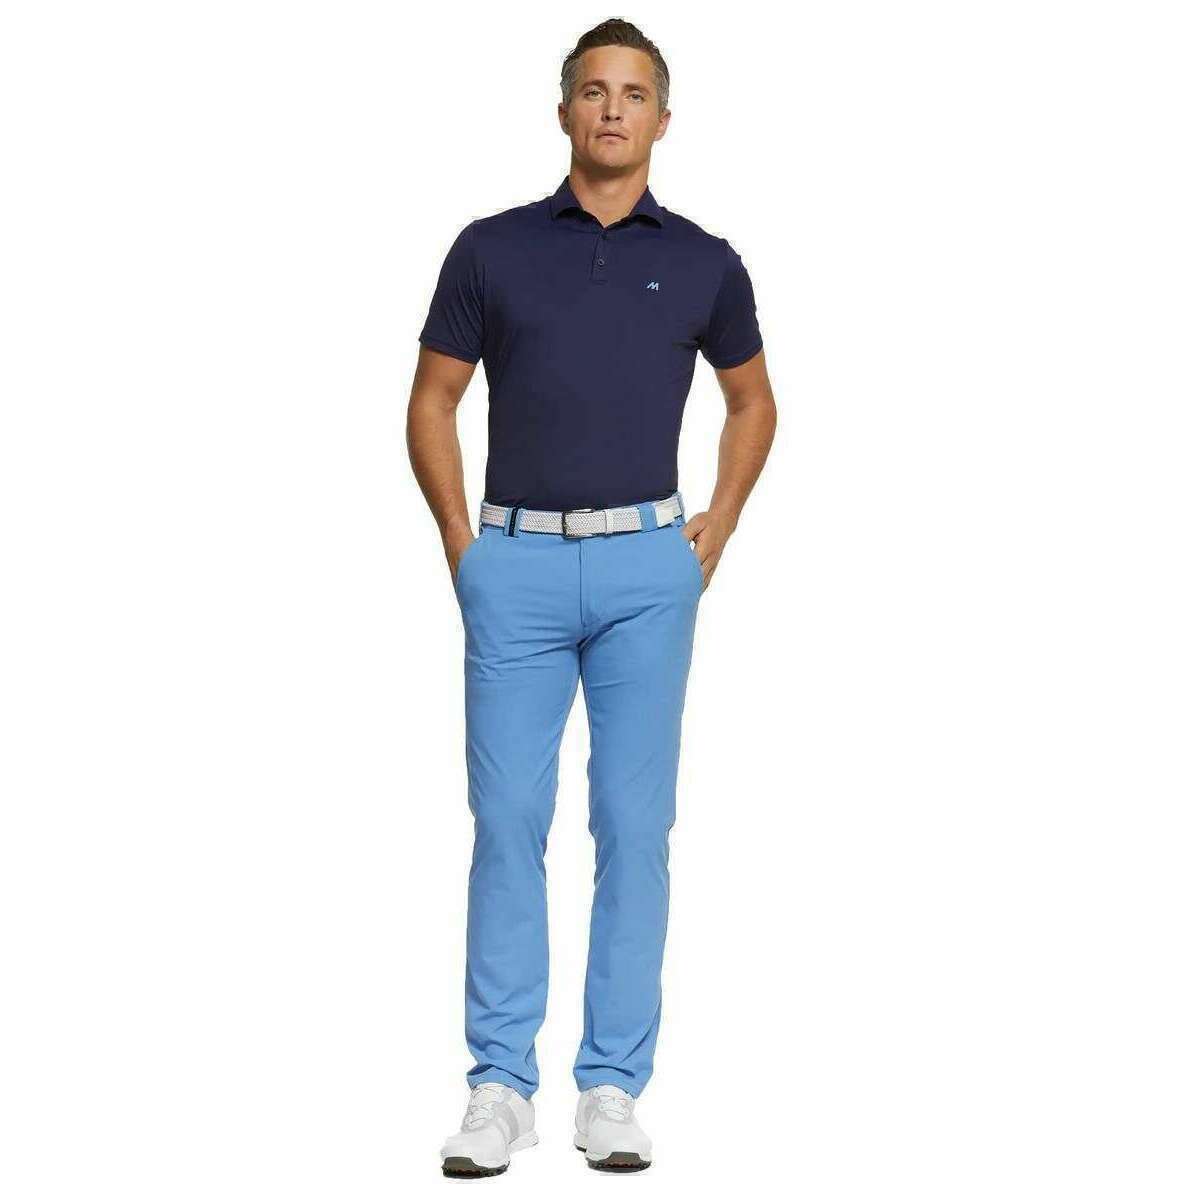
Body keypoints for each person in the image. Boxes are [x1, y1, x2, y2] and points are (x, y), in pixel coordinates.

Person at [408, 18, 777, 1178]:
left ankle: (611, 1085)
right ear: (563, 109)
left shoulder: (707, 261)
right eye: (594, 90)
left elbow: (754, 401)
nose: (613, 109)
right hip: (514, 565)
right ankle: (499, 1087)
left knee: (632, 824)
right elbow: (432, 400)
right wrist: (464, 545)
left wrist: (719, 520)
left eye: (634, 93)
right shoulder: (491, 249)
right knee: (508, 821)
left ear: (663, 118)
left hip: (646, 571)